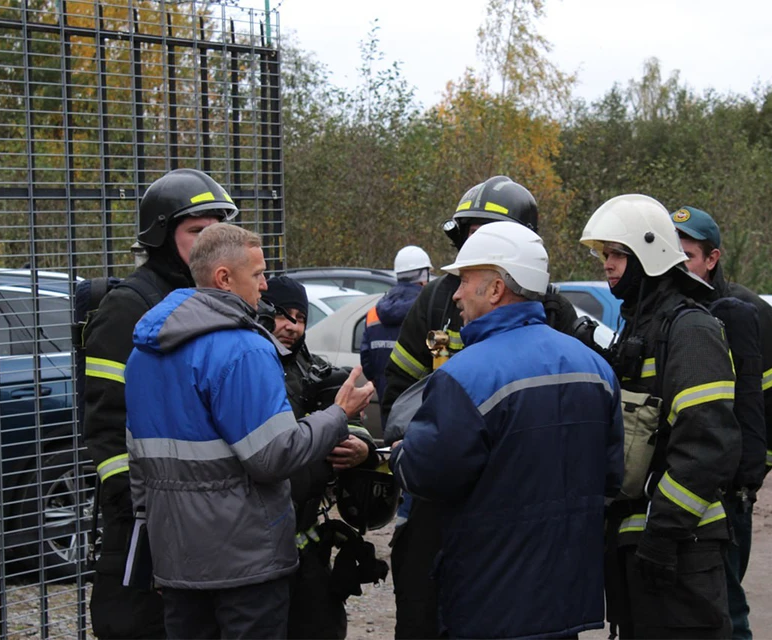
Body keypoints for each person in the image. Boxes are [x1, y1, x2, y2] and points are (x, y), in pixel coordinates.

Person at [125, 223, 374, 639]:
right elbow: (272, 457)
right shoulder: (244, 347)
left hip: (178, 564)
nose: (263, 285)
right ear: (224, 278)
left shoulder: (142, 355)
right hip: (245, 568)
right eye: (257, 274)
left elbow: (139, 469)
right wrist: (337, 414)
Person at [389, 221, 624, 638]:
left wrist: (401, 450)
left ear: (496, 289)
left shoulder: (464, 377)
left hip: (490, 604)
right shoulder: (596, 368)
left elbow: (425, 475)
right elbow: (610, 476)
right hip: (566, 602)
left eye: (464, 280)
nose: (457, 294)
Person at [83, 168, 238, 639]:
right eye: (197, 231)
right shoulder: (128, 308)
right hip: (144, 526)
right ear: (161, 234)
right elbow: (106, 422)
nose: (210, 241)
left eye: (217, 230)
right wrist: (136, 508)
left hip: (208, 521)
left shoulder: (216, 300)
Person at [580, 194, 740, 639]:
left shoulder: (691, 329)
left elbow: (707, 446)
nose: (607, 265)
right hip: (642, 542)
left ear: (648, 254)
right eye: (605, 255)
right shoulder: (644, 324)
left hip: (682, 549)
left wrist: (663, 534)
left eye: (616, 255)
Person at [671, 205, 772, 639]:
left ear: (713, 259)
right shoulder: (663, 307)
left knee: (726, 607)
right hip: (676, 490)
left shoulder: (748, 313)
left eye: (687, 254)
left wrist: (750, 472)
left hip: (726, 499)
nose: (677, 263)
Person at [259, 275, 382, 640]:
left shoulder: (310, 368)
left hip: (307, 544)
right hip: (259, 548)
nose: (292, 326)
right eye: (282, 314)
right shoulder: (252, 369)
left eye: (300, 317)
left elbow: (347, 422)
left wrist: (363, 449)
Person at [361, 245, 432, 421]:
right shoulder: (428, 308)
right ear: (424, 276)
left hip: (388, 403)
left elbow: (367, 360)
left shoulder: (374, 312)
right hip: (421, 402)